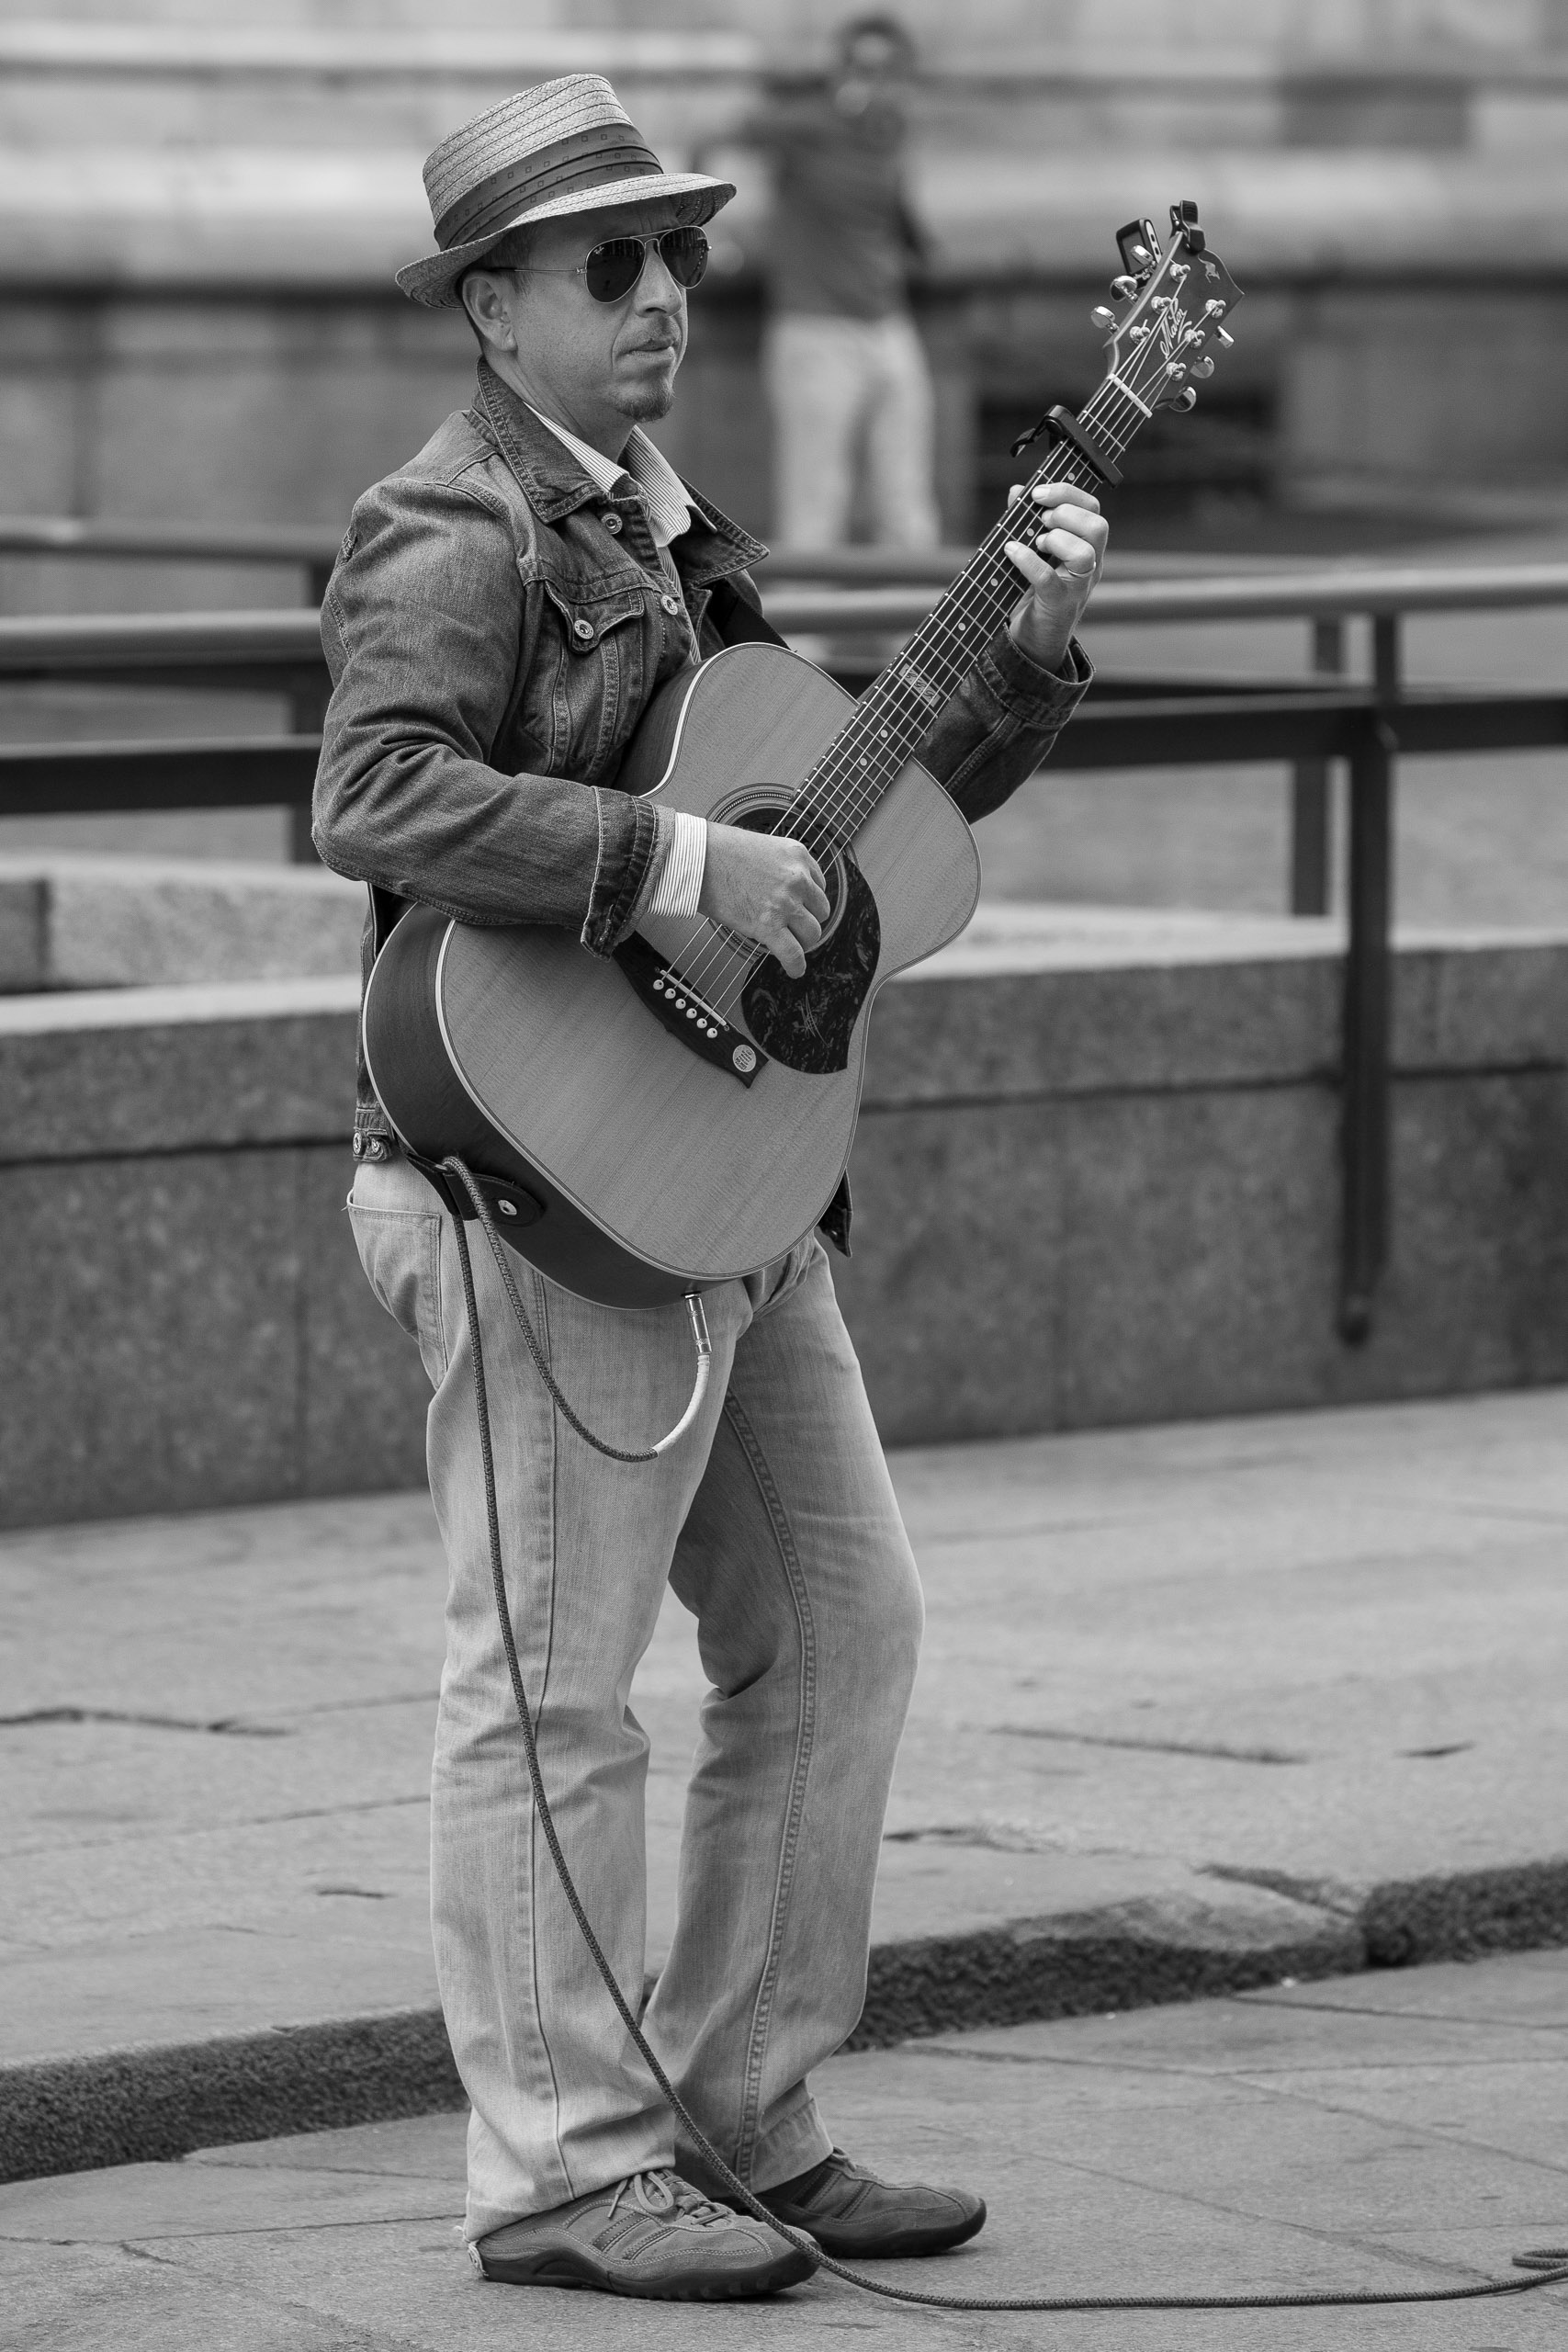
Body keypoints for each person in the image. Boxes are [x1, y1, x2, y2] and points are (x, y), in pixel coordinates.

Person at [313, 72, 1105, 2305]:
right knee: (546, 1690)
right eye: (607, 264)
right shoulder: (448, 523)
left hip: (728, 1181)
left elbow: (827, 815)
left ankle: (738, 2109)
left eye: (678, 257)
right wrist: (672, 858)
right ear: (490, 307)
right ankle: (561, 2167)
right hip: (531, 1183)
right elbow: (371, 795)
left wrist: (1016, 672)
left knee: (840, 1628)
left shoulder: (667, 523)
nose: (662, 296)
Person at [738, 14, 942, 549]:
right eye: (859, 67)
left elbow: (898, 218)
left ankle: (924, 631)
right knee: (815, 510)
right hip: (815, 330)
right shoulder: (808, 125)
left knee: (909, 510)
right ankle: (806, 635)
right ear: (840, 71)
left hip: (888, 324)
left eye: (885, 69)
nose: (871, 80)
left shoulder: (891, 135)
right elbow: (733, 133)